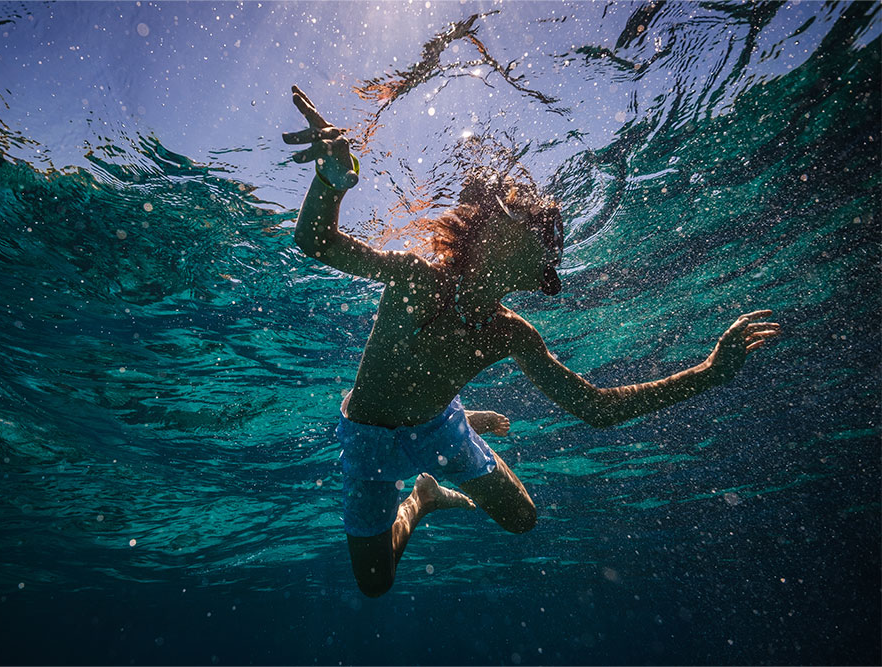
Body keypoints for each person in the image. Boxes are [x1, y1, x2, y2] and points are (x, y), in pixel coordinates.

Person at [282, 85, 780, 598]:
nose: (527, 221)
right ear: (484, 229)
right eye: (518, 215)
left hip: (437, 430)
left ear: (538, 264)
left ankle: (449, 441)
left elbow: (596, 408)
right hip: (369, 439)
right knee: (375, 583)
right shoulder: (417, 277)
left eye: (541, 228)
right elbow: (315, 242)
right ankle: (422, 498)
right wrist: (332, 179)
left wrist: (710, 371)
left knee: (522, 519)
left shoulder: (512, 333)